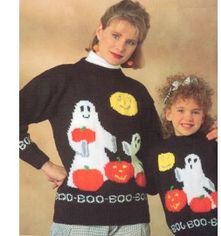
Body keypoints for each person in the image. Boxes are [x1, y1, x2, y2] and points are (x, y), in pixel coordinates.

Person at [20, 1, 163, 235]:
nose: (120, 46)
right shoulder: (63, 79)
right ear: (100, 30)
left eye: (131, 42)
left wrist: (205, 140)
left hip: (133, 221)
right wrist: (44, 164)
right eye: (116, 35)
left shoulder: (138, 92)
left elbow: (157, 150)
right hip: (78, 220)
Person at [146, 74, 217, 235]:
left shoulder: (213, 144)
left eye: (195, 112)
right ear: (168, 114)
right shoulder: (157, 152)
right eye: (181, 110)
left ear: (203, 116)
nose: (188, 117)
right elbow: (150, 187)